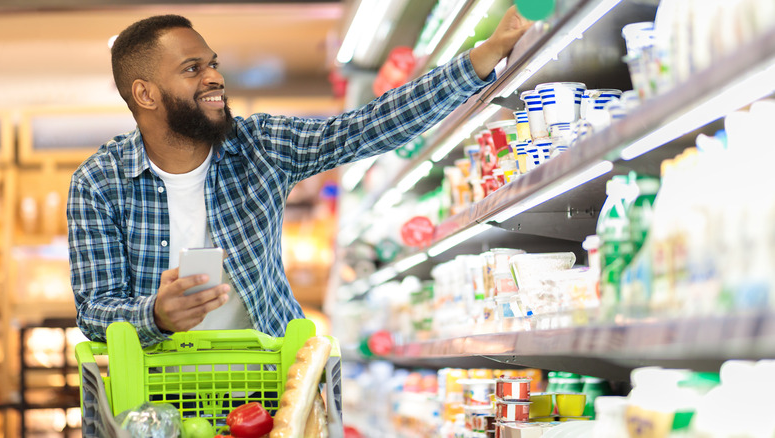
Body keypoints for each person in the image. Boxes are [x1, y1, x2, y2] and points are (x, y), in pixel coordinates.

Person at [67, 8, 531, 346]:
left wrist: (480, 59)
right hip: (162, 392)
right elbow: (94, 310)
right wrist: (156, 314)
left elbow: (363, 128)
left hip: (268, 379)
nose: (214, 78)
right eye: (192, 69)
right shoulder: (98, 184)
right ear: (144, 94)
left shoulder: (260, 145)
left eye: (213, 64)